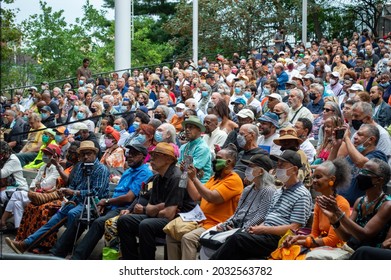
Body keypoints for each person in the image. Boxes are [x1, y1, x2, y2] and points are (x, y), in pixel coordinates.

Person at [5, 140, 110, 254]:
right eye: (83, 154)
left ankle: (64, 250)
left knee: (72, 214)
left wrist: (74, 192)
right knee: (54, 219)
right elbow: (72, 184)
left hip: (91, 204)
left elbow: (96, 193)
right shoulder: (80, 166)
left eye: (89, 153)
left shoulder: (101, 169)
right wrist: (66, 192)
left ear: (95, 154)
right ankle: (25, 244)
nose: (85, 156)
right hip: (74, 201)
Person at [54, 144, 153, 260]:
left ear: (142, 156)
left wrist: (106, 201)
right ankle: (57, 252)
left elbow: (129, 198)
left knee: (99, 222)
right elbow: (117, 192)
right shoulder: (129, 170)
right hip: (111, 204)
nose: (130, 156)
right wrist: (105, 203)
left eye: (134, 154)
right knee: (81, 217)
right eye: (128, 154)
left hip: (124, 208)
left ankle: (77, 257)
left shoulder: (144, 173)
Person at [210, 150, 312, 260]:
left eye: (282, 165)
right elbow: (268, 217)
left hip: (279, 238)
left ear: (294, 170)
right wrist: (256, 228)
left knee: (237, 239)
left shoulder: (302, 194)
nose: (278, 168)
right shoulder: (279, 191)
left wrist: (263, 229)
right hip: (264, 233)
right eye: (277, 165)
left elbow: (294, 228)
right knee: (236, 240)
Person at [116, 143, 196, 260]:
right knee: (124, 220)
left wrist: (154, 210)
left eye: (156, 155)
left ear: (168, 159)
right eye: (151, 155)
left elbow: (168, 214)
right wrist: (160, 207)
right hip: (163, 216)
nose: (151, 158)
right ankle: (131, 260)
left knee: (146, 225)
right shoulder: (157, 178)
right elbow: (149, 207)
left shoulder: (177, 177)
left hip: (181, 219)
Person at [166, 146, 244, 260]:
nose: (214, 160)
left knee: (188, 238)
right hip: (200, 220)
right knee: (171, 234)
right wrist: (186, 174)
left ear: (229, 162)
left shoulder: (234, 179)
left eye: (218, 158)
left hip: (217, 225)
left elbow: (212, 197)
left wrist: (194, 178)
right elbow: (196, 196)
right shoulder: (215, 178)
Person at [199, 154, 277, 259]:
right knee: (205, 242)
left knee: (217, 247)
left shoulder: (269, 190)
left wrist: (240, 230)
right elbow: (237, 212)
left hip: (248, 232)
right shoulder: (248, 189)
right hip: (235, 226)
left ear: (261, 171)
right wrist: (226, 224)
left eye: (251, 166)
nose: (248, 169)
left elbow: (261, 216)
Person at [317, 158, 391, 257]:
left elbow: (364, 236)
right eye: (361, 170)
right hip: (351, 249)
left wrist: (338, 212)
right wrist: (334, 219)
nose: (360, 174)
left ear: (379, 180)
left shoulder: (386, 205)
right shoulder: (360, 201)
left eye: (366, 172)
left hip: (368, 255)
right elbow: (346, 236)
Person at [14, 141, 80, 252]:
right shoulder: (70, 167)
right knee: (31, 206)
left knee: (44, 209)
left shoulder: (73, 167)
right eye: (69, 152)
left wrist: (57, 166)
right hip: (56, 195)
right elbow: (36, 183)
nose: (70, 155)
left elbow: (62, 183)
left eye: (73, 153)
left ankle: (44, 245)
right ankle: (25, 240)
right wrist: (39, 186)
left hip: (64, 198)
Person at [280, 158, 351, 259]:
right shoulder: (319, 202)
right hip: (319, 245)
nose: (314, 181)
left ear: (332, 180)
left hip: (334, 250)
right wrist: (296, 238)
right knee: (284, 250)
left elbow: (331, 241)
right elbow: (314, 234)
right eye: (313, 177)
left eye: (318, 177)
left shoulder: (341, 204)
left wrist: (301, 241)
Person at [0, 144, 61, 231]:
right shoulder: (43, 167)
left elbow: (46, 184)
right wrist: (36, 187)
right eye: (44, 153)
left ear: (55, 157)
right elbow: (34, 183)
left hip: (47, 197)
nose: (44, 156)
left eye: (48, 154)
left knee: (17, 194)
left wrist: (38, 186)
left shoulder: (57, 169)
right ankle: (19, 231)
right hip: (36, 194)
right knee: (17, 203)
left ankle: (2, 221)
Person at [329, 123, 388, 206]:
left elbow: (361, 163)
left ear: (371, 140)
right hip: (339, 203)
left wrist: (347, 139)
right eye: (356, 133)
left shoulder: (378, 155)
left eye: (360, 135)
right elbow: (329, 168)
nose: (355, 137)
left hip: (360, 207)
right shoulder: (351, 156)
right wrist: (336, 146)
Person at [178, 116, 212, 184]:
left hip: (200, 185)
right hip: (184, 181)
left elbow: (191, 170)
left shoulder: (202, 148)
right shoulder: (184, 147)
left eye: (191, 127)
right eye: (186, 127)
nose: (187, 129)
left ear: (199, 130)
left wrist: (181, 167)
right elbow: (179, 165)